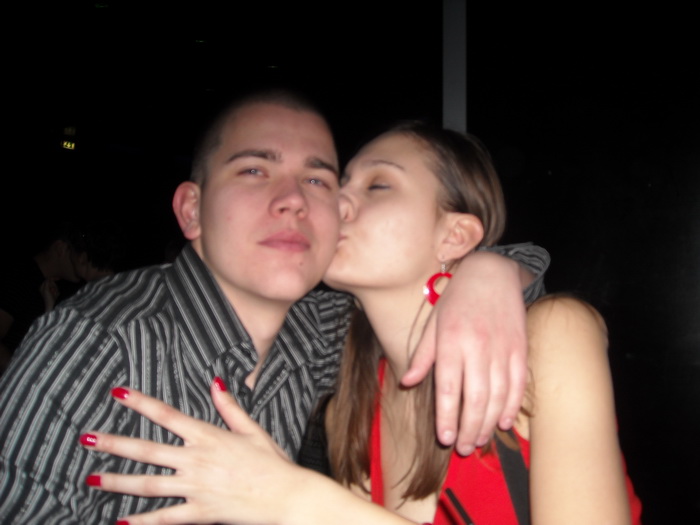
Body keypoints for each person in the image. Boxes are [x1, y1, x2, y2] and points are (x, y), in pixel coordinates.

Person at [0, 89, 549, 523]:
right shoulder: (96, 341)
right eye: (255, 170)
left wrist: (488, 269)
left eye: (316, 179)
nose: (294, 200)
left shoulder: (320, 332)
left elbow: (430, 283)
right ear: (191, 211)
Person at [81, 121, 641, 525]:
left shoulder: (555, 336)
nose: (334, 205)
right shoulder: (351, 394)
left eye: (377, 186)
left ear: (455, 235)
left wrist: (291, 499)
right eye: (337, 186)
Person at [0, 218, 125, 373]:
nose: (79, 257)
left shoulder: (69, 288)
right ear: (61, 248)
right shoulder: (18, 277)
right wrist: (18, 372)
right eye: (77, 248)